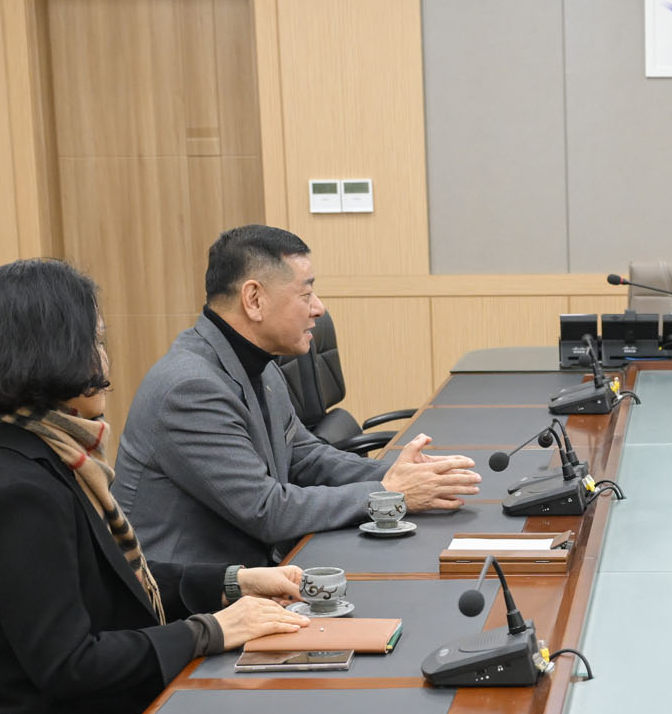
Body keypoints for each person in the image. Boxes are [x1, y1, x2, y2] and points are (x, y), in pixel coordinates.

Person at [0, 259, 312, 714]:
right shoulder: (16, 491)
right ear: (46, 352)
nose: (105, 363)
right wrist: (210, 630)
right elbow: (71, 664)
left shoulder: (30, 450)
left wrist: (234, 582)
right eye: (94, 342)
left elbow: (104, 575)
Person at [113, 225, 481, 566]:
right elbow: (266, 510)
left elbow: (304, 457)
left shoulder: (261, 365)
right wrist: (389, 492)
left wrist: (404, 475)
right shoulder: (191, 390)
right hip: (196, 597)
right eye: (305, 294)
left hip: (254, 572)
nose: (319, 308)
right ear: (254, 299)